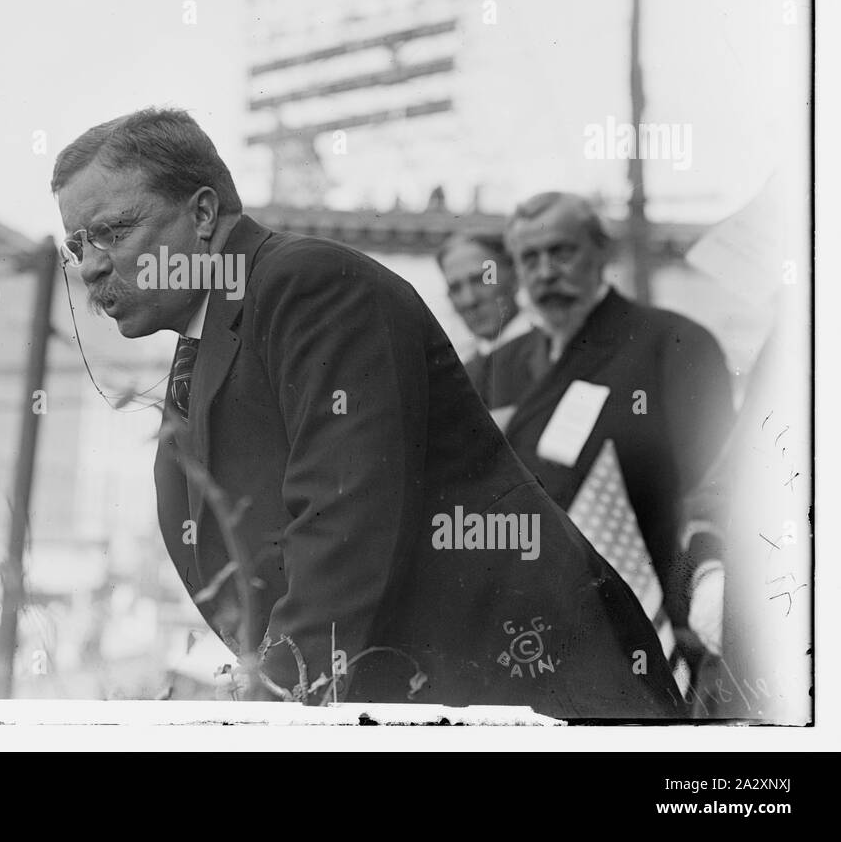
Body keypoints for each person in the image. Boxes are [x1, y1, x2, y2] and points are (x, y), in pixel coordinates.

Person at [51, 108, 682, 716]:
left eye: (113, 230)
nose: (91, 265)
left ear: (205, 212)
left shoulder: (305, 286)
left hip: (530, 692)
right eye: (78, 243)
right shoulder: (209, 339)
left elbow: (344, 525)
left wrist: (268, 713)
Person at [472, 192, 735, 681]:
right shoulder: (498, 369)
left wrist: (704, 579)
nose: (545, 271)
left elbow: (711, 488)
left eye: (562, 251)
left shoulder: (674, 346)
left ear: (601, 253)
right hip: (525, 628)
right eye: (530, 258)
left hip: (650, 627)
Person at [435, 231, 532, 400]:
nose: (469, 300)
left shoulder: (546, 354)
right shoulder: (462, 371)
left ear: (515, 278)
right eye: (456, 288)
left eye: (482, 280)